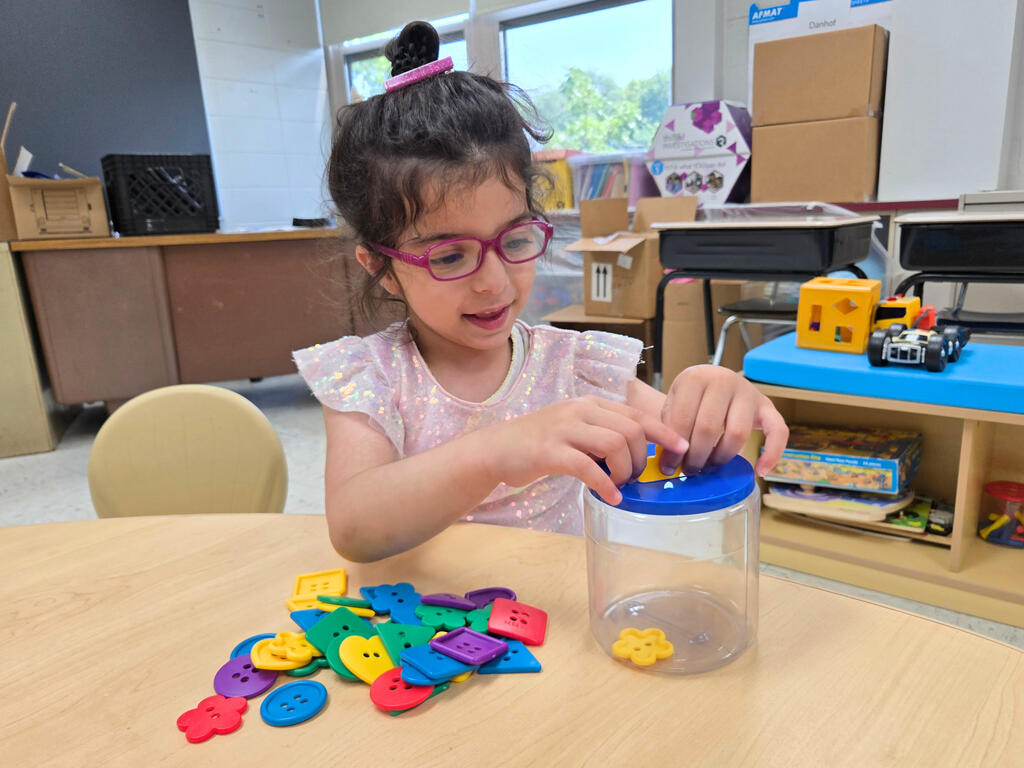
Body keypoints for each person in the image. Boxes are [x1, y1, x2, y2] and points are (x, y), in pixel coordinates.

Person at [294, 21, 788, 562]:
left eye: (514, 240)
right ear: (382, 268)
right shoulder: (374, 378)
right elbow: (355, 527)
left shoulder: (572, 368)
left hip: (555, 607)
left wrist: (715, 396)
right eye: (449, 256)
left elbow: (684, 442)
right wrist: (493, 451)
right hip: (428, 614)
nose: (494, 281)